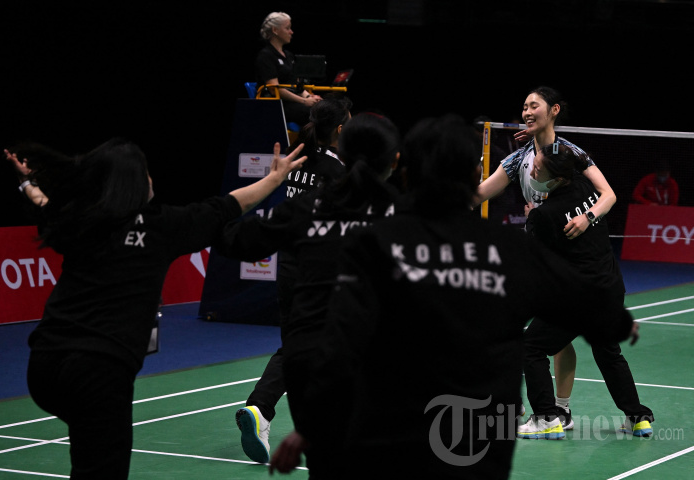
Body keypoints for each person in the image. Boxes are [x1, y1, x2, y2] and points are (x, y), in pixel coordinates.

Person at [268, 114, 636, 478]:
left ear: (406, 171)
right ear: (476, 176)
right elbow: (579, 301)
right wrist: (618, 322)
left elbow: (342, 339)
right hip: (477, 444)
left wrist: (312, 424)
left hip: (394, 436)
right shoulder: (510, 249)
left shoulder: (376, 243)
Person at [4, 138, 306, 479]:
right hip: (98, 372)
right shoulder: (161, 226)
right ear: (133, 181)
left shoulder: (81, 220)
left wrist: (26, 183)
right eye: (145, 171)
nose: (151, 178)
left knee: (87, 446)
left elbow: (43, 204)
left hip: (44, 366)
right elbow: (228, 206)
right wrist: (274, 179)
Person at [214, 112, 401, 474]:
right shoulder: (406, 216)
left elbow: (232, 240)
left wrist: (269, 182)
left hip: (307, 352)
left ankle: (264, 410)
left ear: (343, 152)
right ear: (394, 160)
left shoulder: (306, 208)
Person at [471, 86, 618, 428]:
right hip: (539, 258)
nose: (526, 111)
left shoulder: (570, 154)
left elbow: (608, 194)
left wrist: (587, 217)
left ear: (553, 110)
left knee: (553, 340)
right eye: (524, 106)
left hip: (571, 263)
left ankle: (558, 410)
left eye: (534, 105)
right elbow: (479, 194)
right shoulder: (517, 159)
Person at [231, 94, 352, 463]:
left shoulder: (295, 159)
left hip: (288, 266)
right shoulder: (338, 171)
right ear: (341, 129)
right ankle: (272, 410)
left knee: (300, 345)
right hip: (320, 272)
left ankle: (262, 410)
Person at [518, 142, 654, 439]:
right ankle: (638, 417)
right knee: (608, 352)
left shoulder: (545, 214)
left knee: (531, 347)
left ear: (556, 178)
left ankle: (546, 418)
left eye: (538, 169)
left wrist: (531, 220)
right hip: (610, 288)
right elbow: (588, 172)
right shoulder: (586, 188)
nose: (532, 172)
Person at [255, 11, 322, 126]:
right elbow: (274, 89)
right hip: (278, 104)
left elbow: (297, 85)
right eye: (287, 28)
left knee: (327, 108)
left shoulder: (289, 56)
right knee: (313, 114)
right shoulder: (266, 56)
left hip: (294, 102)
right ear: (275, 30)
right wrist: (304, 101)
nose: (291, 32)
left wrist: (310, 97)